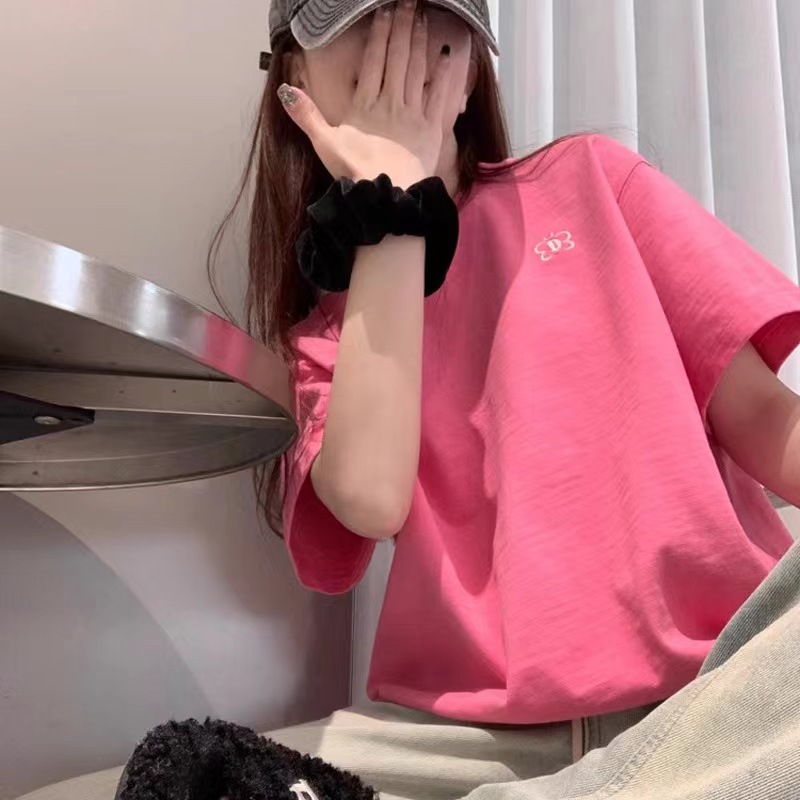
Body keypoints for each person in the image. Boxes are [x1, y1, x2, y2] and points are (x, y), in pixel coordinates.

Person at [18, 1, 800, 798]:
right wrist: (395, 200)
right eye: (366, 22)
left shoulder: (592, 181)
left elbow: (767, 420)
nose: (402, 47)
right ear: (294, 77)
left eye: (432, 21)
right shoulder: (328, 334)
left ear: (473, 69)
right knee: (176, 780)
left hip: (715, 691)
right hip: (468, 741)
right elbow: (370, 496)